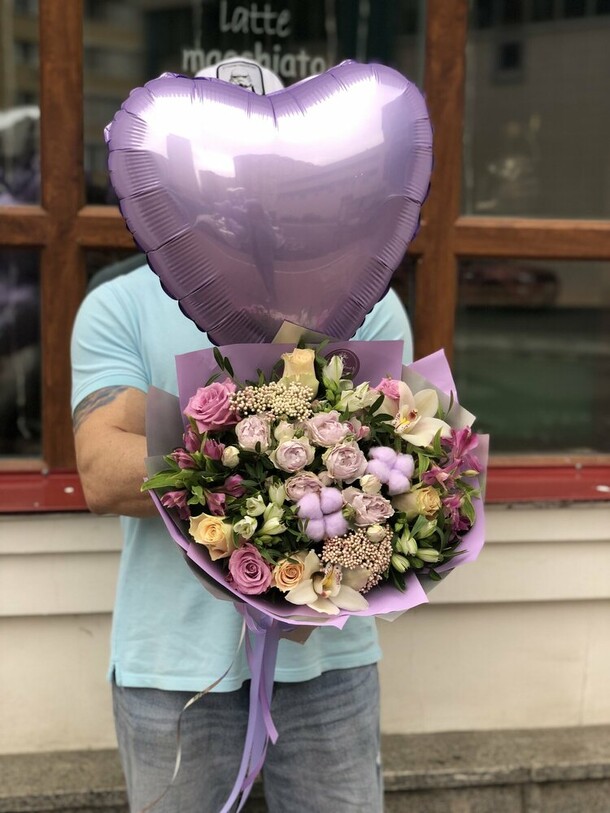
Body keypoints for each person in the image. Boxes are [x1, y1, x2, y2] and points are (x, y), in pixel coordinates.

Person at [71, 58, 414, 813]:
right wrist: (284, 435)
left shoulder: (371, 302)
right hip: (172, 670)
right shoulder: (117, 305)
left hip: (330, 665)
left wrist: (175, 422)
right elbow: (101, 471)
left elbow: (396, 479)